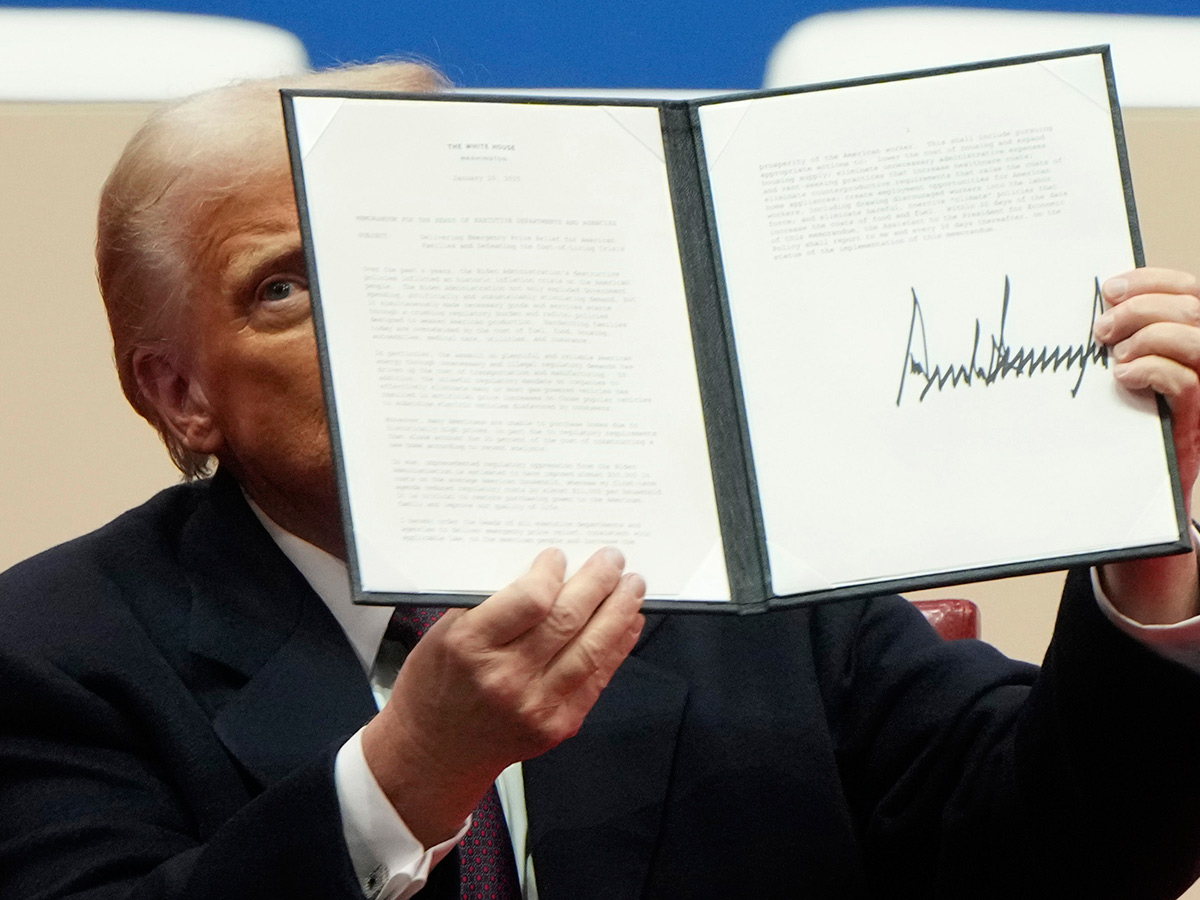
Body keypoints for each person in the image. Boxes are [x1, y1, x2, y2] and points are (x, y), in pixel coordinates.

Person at [3, 60, 1200, 900]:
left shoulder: (730, 571)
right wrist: (404, 780)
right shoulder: (52, 653)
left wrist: (1152, 585)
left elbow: (1068, 855)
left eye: (422, 242)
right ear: (177, 394)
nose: (386, 312)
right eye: (288, 284)